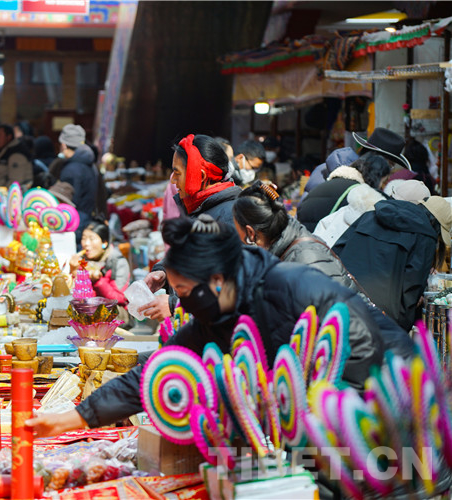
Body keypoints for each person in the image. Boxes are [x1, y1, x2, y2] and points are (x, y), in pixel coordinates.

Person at [27, 215, 411, 437]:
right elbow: (156, 371)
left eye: (181, 290)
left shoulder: (290, 287)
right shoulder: (218, 313)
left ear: (214, 280)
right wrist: (72, 419)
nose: (179, 301)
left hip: (389, 415)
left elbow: (363, 358)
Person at [140, 134, 240, 321]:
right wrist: (164, 272)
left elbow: (230, 289)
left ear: (200, 176)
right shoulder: (198, 208)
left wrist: (174, 305)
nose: (172, 180)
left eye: (177, 173)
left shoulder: (229, 218)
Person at [333, 196, 451, 332]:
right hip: (378, 315)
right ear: (437, 226)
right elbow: (411, 289)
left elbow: (336, 251)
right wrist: (402, 329)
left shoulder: (370, 216)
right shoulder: (426, 237)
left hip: (341, 295)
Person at [232, 181, 357, 292]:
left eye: (236, 229)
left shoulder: (307, 258)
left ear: (251, 233)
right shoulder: (283, 246)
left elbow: (336, 308)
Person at [297, 154, 390, 232]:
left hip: (306, 233)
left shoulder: (331, 182)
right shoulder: (358, 193)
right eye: (383, 181)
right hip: (321, 239)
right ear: (377, 177)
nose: (381, 186)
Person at [52, 125, 97, 240]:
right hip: (86, 216)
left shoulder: (71, 169)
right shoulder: (88, 162)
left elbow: (68, 200)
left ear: (63, 145)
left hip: (75, 221)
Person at [69, 221, 130, 305]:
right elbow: (75, 295)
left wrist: (98, 281)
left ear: (104, 243)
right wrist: (73, 271)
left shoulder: (117, 262)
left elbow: (120, 299)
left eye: (91, 239)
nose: (86, 243)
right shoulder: (81, 262)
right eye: (84, 238)